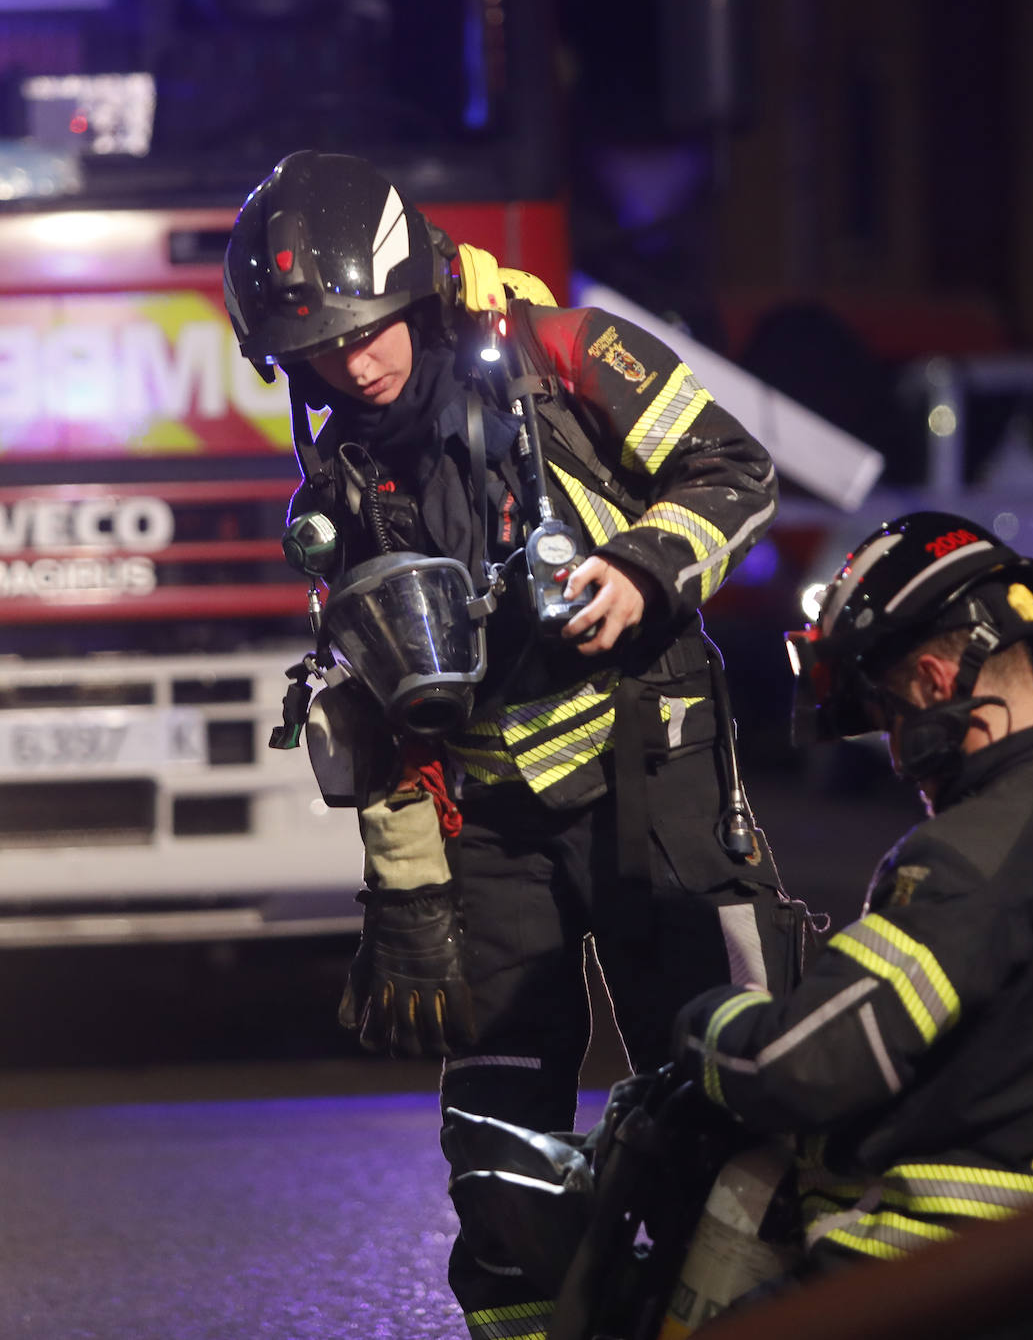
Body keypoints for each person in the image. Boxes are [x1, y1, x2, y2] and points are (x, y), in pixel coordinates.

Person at [223, 149, 807, 1338]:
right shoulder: (339, 479)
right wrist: (405, 885)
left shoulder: (566, 352)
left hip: (651, 786)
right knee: (500, 1162)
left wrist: (642, 568)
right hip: (487, 831)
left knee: (724, 1104)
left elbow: (738, 472)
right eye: (319, 351)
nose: (353, 364)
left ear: (415, 288)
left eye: (366, 330)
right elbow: (376, 697)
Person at [673, 509, 1033, 1339]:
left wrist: (705, 1027)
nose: (892, 748)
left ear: (933, 679)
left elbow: (799, 1066)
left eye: (886, 712)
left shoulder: (970, 859)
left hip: (926, 1278)